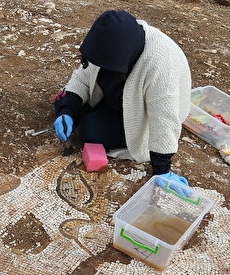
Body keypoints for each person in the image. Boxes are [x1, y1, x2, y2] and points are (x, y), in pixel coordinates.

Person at [52, 11, 192, 192]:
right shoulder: (110, 43)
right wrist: (67, 111)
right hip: (118, 96)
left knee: (91, 130)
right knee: (64, 103)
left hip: (144, 115)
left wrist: (162, 169)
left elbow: (164, 116)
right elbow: (83, 75)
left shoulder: (161, 63)